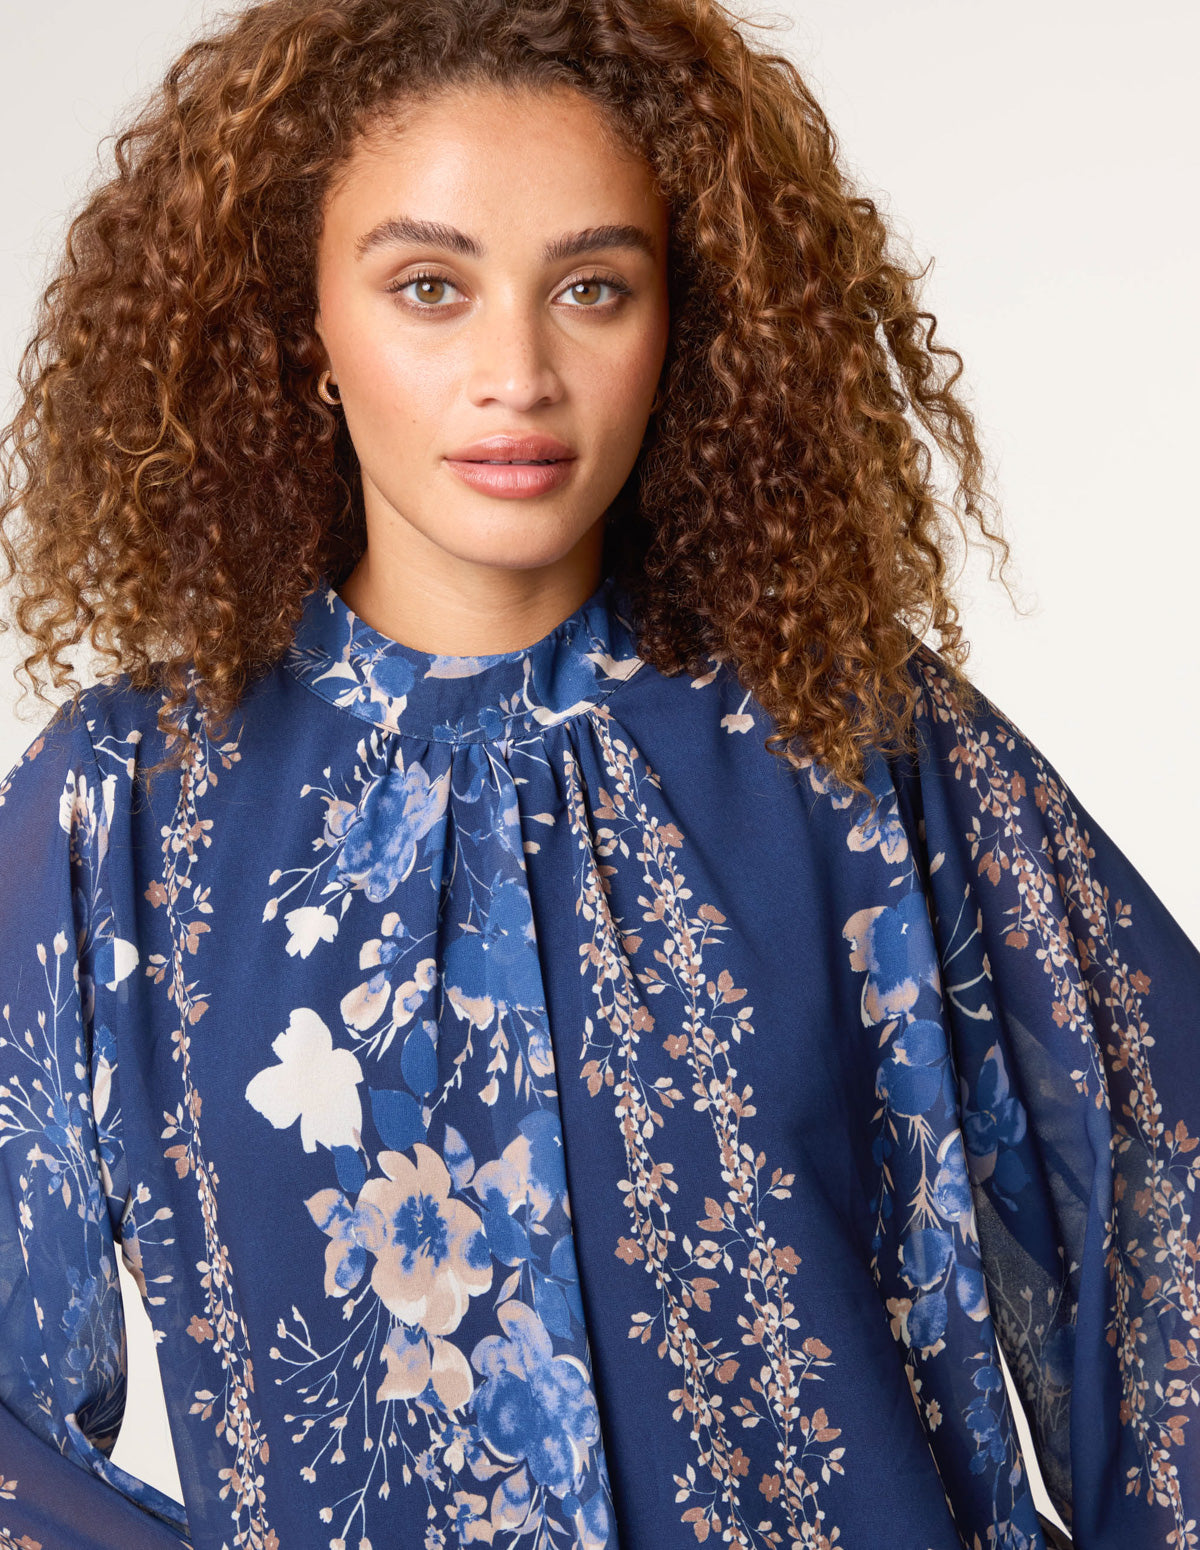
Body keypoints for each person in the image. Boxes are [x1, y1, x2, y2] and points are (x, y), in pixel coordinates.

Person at [0, 0, 1193, 1546]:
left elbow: (1167, 1220)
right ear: (305, 329)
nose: (518, 372)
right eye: (429, 286)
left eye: (592, 288)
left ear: (679, 322)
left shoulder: (853, 741)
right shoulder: (123, 812)